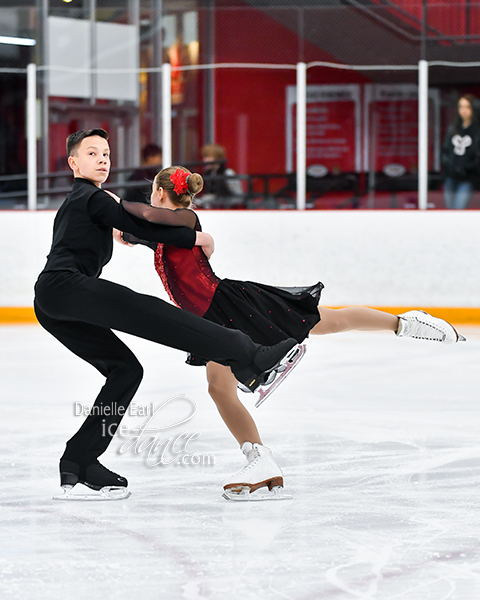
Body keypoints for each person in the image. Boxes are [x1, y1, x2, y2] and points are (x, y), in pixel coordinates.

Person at [121, 165, 466, 502]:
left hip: (229, 307)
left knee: (326, 321)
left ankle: (406, 323)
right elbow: (134, 231)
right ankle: (259, 460)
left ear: (161, 193)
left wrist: (111, 202)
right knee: (219, 388)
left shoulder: (187, 221)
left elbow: (149, 219)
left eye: (152, 194)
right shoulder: (165, 237)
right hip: (208, 320)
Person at [33, 129, 301, 501]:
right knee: (154, 314)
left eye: (106, 153)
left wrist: (137, 221)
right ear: (73, 163)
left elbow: (133, 224)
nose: (102, 159)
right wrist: (195, 236)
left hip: (53, 300)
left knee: (126, 370)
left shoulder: (85, 200)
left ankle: (79, 461)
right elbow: (143, 222)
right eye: (92, 153)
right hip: (66, 288)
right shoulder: (90, 196)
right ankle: (253, 356)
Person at [441, 94, 480, 209]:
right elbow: (446, 150)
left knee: (459, 208)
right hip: (451, 177)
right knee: (450, 211)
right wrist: (448, 167)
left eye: (467, 107)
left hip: (468, 178)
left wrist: (468, 168)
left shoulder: (477, 130)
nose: (463, 110)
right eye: (461, 107)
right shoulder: (454, 128)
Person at [197, 143, 243, 208]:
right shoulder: (208, 174)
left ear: (217, 158)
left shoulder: (228, 173)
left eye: (208, 157)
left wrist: (218, 200)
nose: (205, 160)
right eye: (204, 157)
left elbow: (238, 198)